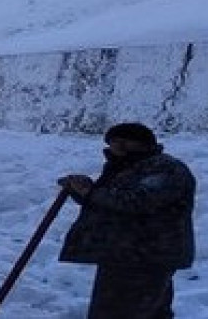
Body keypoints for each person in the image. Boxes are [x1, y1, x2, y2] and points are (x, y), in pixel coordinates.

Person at [57, 122, 196, 319]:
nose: (116, 147)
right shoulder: (127, 167)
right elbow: (110, 202)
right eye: (112, 142)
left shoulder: (165, 169)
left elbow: (137, 202)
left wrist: (90, 192)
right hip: (125, 255)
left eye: (123, 142)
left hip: (146, 257)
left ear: (143, 144)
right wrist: (85, 191)